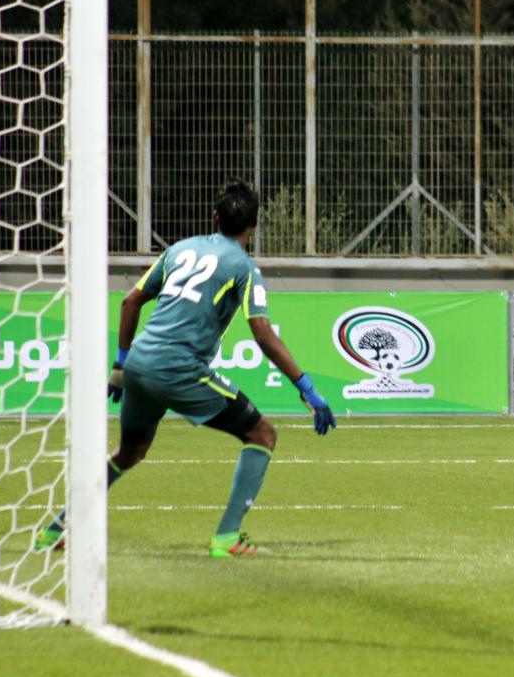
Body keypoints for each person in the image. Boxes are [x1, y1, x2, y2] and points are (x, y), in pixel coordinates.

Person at [34, 181, 336, 558]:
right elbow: (262, 333)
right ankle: (226, 538)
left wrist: (120, 366)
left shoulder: (179, 250)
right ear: (253, 225)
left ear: (214, 217)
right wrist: (305, 386)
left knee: (128, 454)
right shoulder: (244, 267)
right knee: (262, 434)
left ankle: (56, 530)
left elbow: (131, 302)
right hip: (180, 369)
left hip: (140, 364)